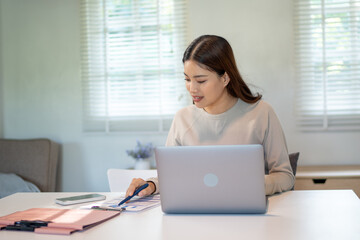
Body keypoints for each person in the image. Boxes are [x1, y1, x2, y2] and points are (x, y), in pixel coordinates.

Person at [125, 35, 295, 198]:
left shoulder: (262, 113)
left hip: (247, 215)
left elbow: (285, 176)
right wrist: (150, 185)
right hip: (196, 215)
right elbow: (170, 177)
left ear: (225, 78)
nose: (192, 89)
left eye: (200, 81)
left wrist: (255, 185)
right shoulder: (182, 119)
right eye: (187, 79)